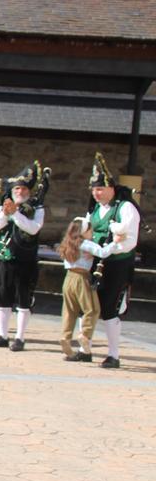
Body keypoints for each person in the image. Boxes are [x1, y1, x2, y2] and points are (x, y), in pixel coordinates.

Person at [84, 153, 140, 369]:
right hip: (94, 261)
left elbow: (130, 241)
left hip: (117, 264)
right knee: (86, 305)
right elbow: (85, 231)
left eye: (100, 189)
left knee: (109, 308)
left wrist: (109, 249)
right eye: (93, 189)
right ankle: (84, 349)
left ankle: (113, 355)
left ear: (111, 188)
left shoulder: (125, 208)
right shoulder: (94, 209)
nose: (96, 193)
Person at [0, 162, 46, 351]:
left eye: (24, 189)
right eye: (17, 188)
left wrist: (16, 214)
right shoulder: (1, 208)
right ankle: (2, 335)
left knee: (23, 300)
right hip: (4, 259)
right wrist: (5, 214)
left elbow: (33, 228)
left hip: (25, 261)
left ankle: (20, 338)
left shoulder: (37, 209)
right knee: (2, 297)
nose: (20, 191)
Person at [57, 218, 115, 362]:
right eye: (90, 230)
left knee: (69, 311)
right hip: (81, 278)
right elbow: (103, 252)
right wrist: (116, 242)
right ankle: (85, 334)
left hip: (68, 279)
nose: (92, 232)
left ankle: (65, 336)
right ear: (83, 232)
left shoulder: (67, 243)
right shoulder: (85, 243)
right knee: (92, 309)